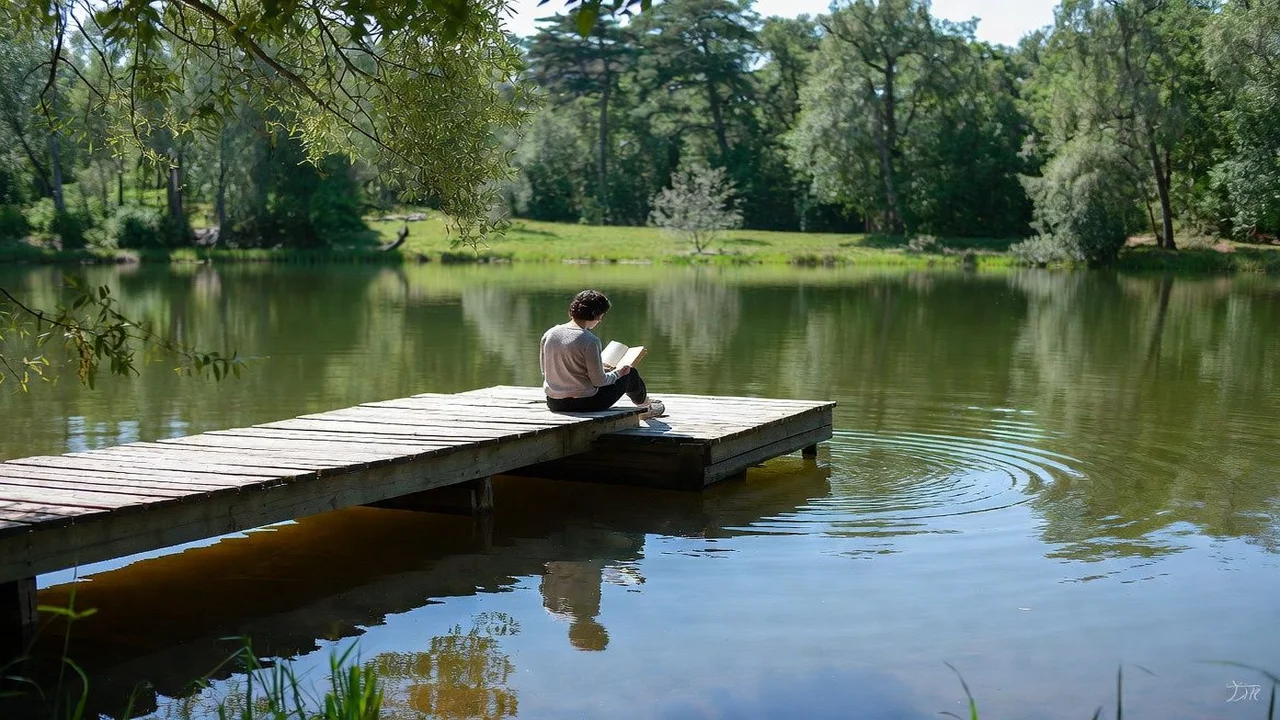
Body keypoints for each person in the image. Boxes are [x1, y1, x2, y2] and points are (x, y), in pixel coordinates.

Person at [540, 289, 664, 417]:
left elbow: (546, 371)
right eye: (601, 315)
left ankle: (645, 403)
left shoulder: (549, 334)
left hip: (554, 402)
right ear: (595, 314)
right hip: (586, 403)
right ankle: (646, 407)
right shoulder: (589, 340)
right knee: (630, 374)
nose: (600, 320)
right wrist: (618, 372)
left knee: (611, 373)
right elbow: (599, 381)